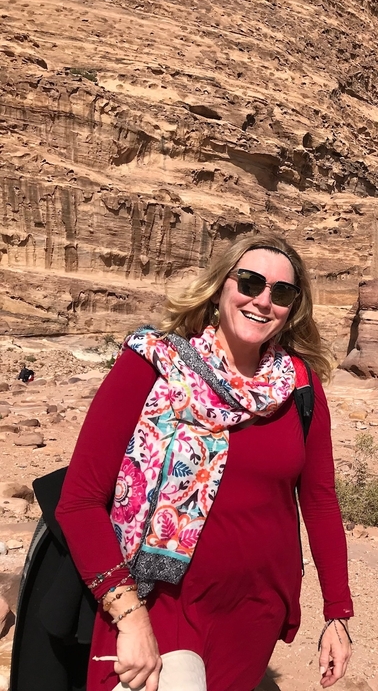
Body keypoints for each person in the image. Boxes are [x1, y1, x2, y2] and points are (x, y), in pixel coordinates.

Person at [55, 234, 353, 691]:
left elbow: (319, 500)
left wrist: (337, 613)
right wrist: (131, 619)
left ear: (294, 307)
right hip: (157, 602)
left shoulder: (300, 386)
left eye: (282, 292)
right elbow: (78, 503)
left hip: (255, 612)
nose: (262, 301)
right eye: (250, 282)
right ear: (220, 288)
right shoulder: (153, 364)